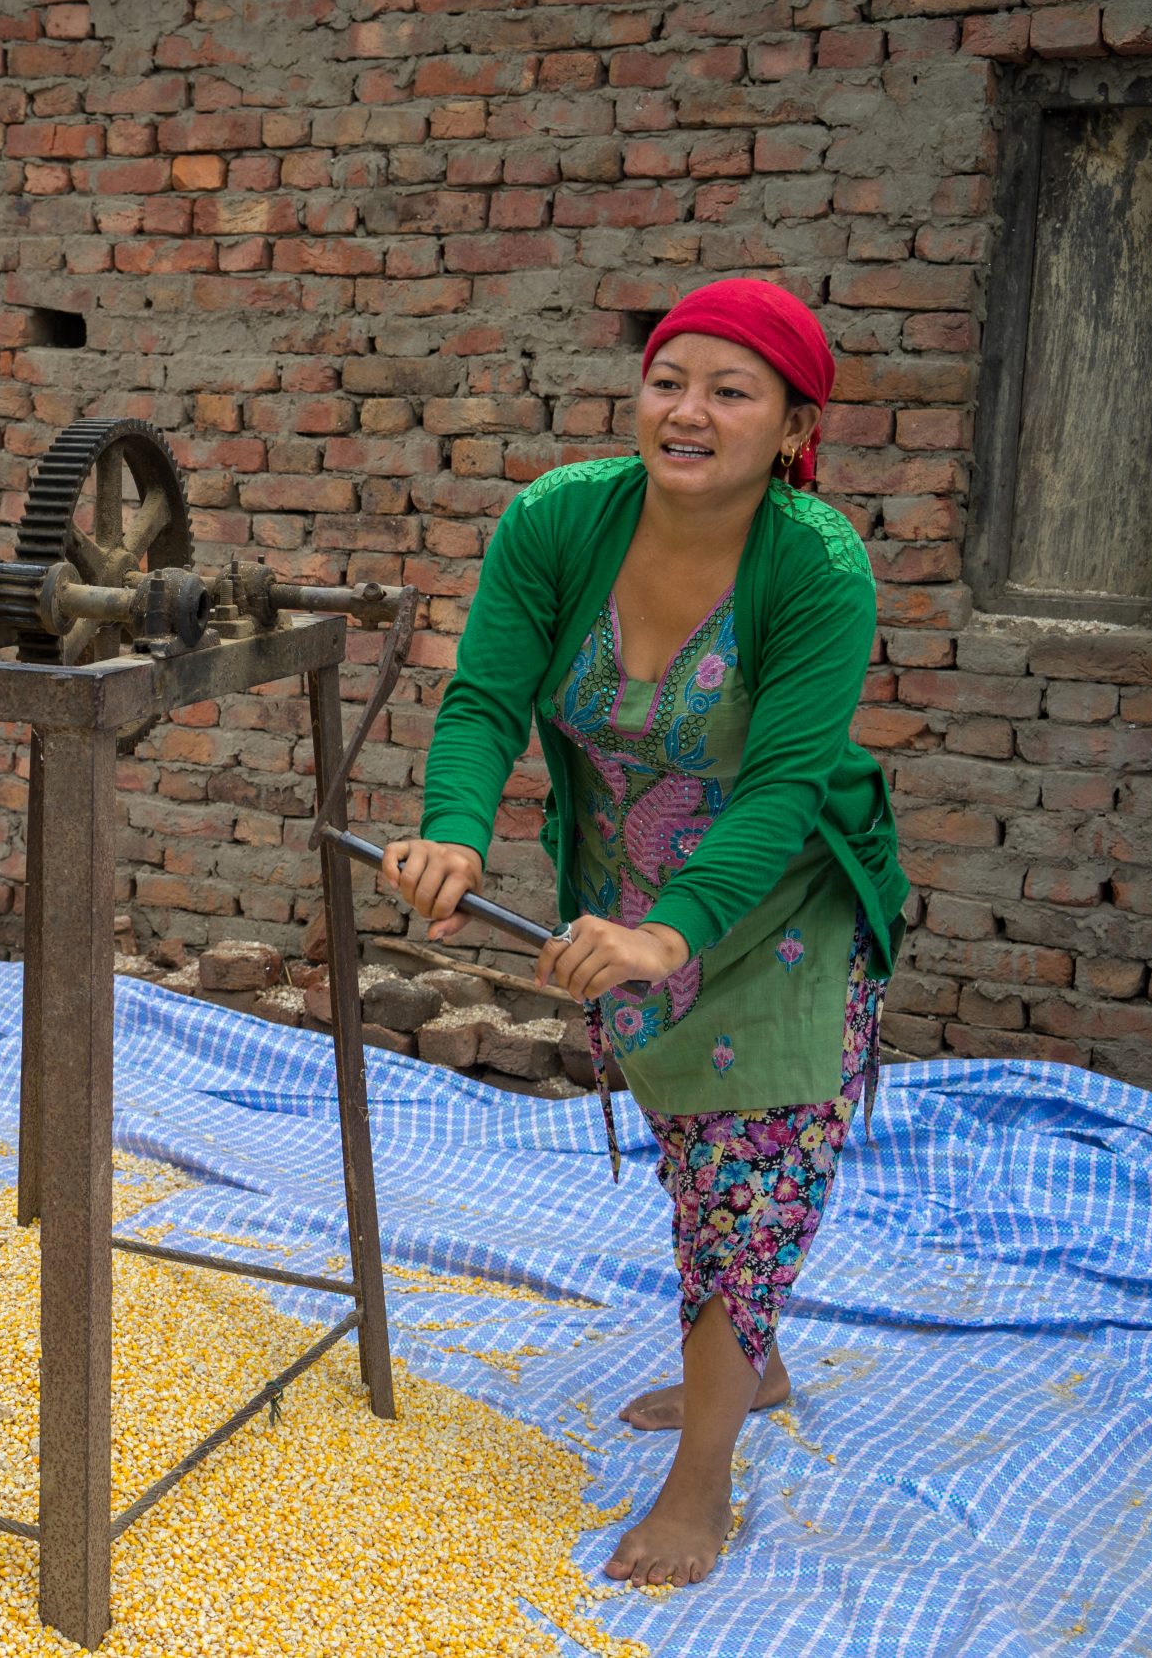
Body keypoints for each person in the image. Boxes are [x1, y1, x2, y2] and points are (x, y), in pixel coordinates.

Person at [382, 278, 907, 1588]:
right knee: (693, 1143)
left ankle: (703, 1475)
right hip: (629, 895)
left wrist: (669, 934)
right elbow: (487, 697)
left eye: (732, 391)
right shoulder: (560, 521)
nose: (689, 411)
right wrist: (454, 826)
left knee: (752, 1163)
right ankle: (757, 1356)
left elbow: (785, 788)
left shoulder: (818, 565)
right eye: (671, 380)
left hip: (778, 905)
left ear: (791, 426)